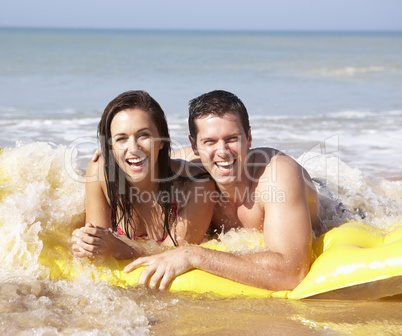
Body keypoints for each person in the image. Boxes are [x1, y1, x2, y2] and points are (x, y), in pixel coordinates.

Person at [123, 90, 321, 291]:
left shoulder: (277, 176)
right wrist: (105, 159)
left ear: (249, 137)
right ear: (195, 145)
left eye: (232, 138)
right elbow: (134, 163)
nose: (223, 151)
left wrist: (194, 255)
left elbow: (291, 273)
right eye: (209, 141)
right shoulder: (187, 171)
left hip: (329, 204)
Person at [71, 90, 215, 262]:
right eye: (121, 138)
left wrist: (118, 247)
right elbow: (97, 252)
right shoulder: (100, 174)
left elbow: (175, 255)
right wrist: (87, 243)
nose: (133, 147)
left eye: (143, 135)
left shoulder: (197, 185)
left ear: (162, 140)